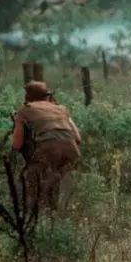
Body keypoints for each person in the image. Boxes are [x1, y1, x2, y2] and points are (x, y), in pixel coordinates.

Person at [11, 81, 82, 212]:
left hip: (48, 149)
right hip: (72, 152)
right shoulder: (61, 109)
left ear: (28, 96)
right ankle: (56, 213)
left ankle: (35, 216)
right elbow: (78, 138)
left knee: (33, 182)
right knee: (55, 180)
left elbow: (17, 143)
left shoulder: (25, 109)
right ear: (47, 95)